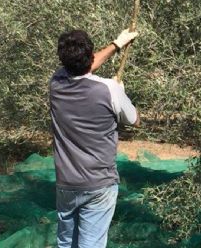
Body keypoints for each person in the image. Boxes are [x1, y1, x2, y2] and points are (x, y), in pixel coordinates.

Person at [49, 28, 140, 247]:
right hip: (100, 183)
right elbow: (134, 120)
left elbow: (83, 66)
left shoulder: (56, 83)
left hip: (66, 183)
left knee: (66, 242)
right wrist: (121, 92)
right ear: (90, 57)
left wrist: (116, 44)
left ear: (62, 60)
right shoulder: (109, 90)